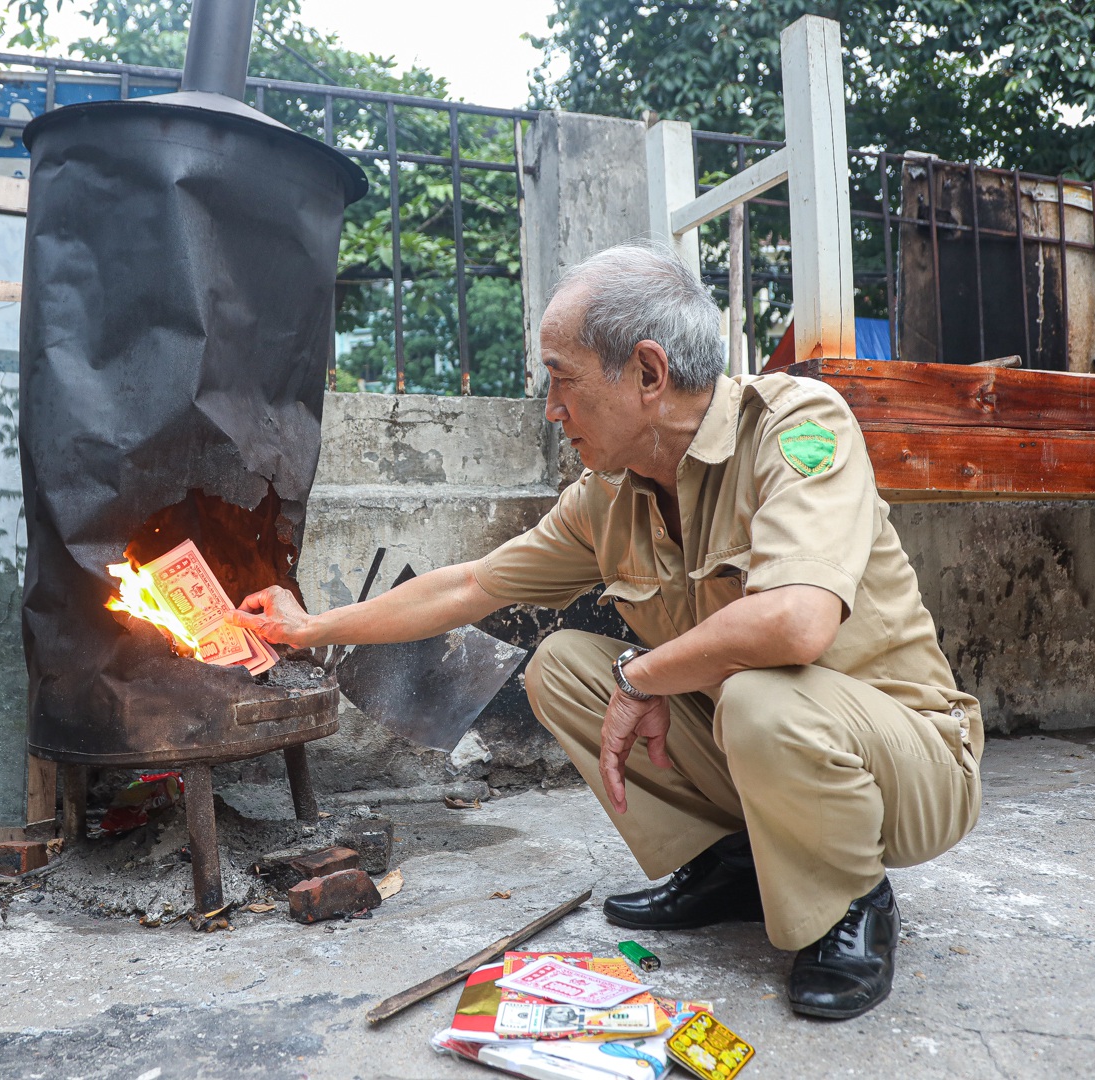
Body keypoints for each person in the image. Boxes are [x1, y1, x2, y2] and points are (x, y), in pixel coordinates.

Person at [234, 241, 983, 1020]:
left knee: (759, 699)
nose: (551, 409)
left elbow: (794, 624)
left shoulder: (795, 427)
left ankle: (850, 904)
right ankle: (732, 865)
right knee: (562, 666)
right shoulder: (609, 496)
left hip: (908, 763)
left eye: (562, 380)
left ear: (649, 375)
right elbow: (470, 585)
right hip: (763, 742)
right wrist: (308, 624)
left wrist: (641, 677)